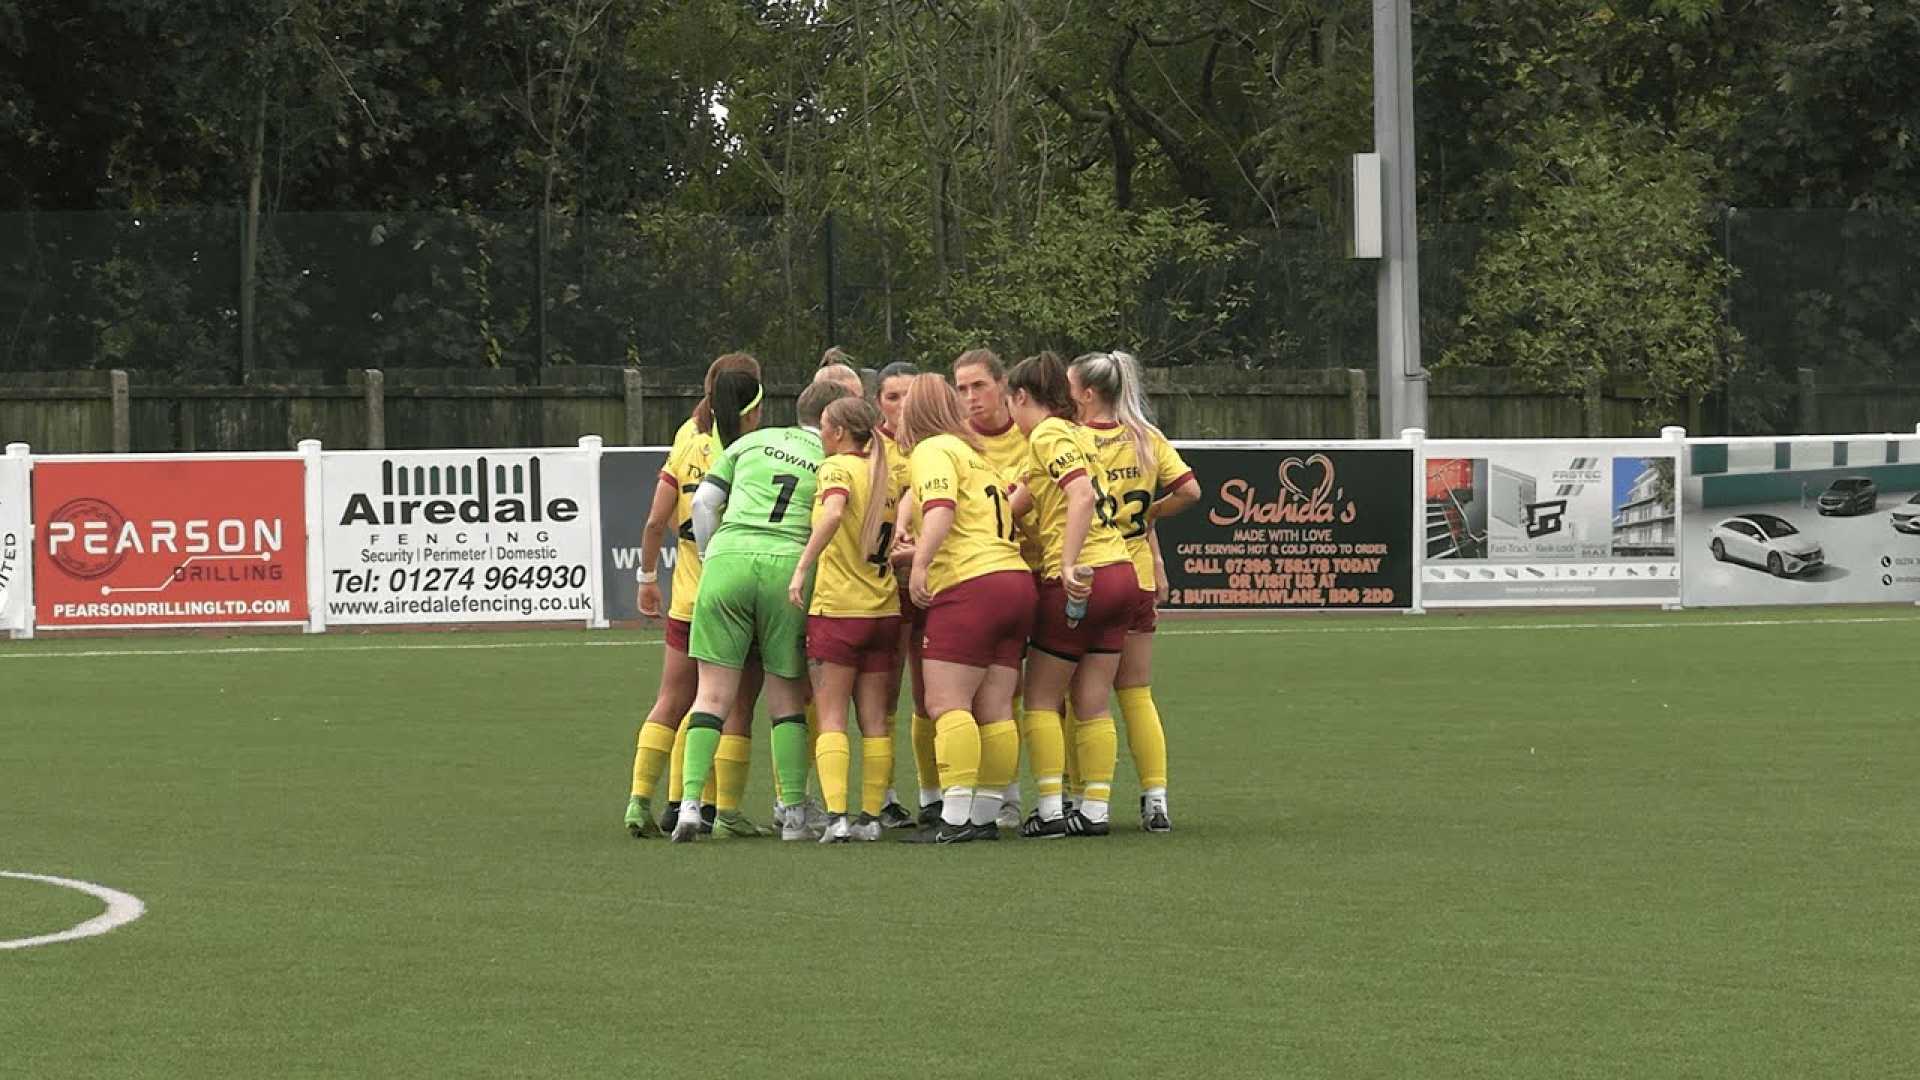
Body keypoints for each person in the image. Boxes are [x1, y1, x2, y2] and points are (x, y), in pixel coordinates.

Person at [673, 378, 856, 842]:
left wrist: (714, 553)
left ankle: (691, 806)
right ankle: (794, 814)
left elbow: (704, 501)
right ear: (835, 421)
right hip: (788, 566)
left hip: (728, 560)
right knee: (787, 701)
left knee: (711, 696)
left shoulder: (754, 440)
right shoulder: (835, 460)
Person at [624, 354, 768, 838]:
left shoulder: (687, 440)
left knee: (672, 700)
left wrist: (647, 577)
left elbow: (653, 521)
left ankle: (642, 801)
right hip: (735, 598)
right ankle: (713, 808)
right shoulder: (753, 449)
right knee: (729, 708)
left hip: (687, 595)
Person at [895, 374, 1037, 843]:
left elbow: (941, 509)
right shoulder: (976, 456)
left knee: (945, 703)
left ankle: (954, 817)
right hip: (1014, 580)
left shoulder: (932, 450)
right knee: (995, 706)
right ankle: (984, 815)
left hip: (971, 583)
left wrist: (920, 566)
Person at [1005, 352, 1140, 838]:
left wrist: (1063, 562)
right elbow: (1017, 504)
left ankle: (1050, 810)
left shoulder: (1047, 433)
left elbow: (1079, 495)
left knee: (1040, 698)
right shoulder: (1081, 434)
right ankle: (1095, 810)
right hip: (1122, 571)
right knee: (1093, 701)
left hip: (1085, 575)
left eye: (1010, 403)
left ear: (1021, 397)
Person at [1072, 350, 1200, 832]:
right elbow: (1191, 491)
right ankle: (1156, 797)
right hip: (1138, 576)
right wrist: (1150, 515)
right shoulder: (1147, 437)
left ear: (1087, 392)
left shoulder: (1075, 439)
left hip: (1091, 572)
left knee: (1079, 693)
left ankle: (1078, 794)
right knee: (1137, 692)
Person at [787, 397, 901, 842]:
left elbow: (833, 512)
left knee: (832, 717)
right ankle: (871, 819)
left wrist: (801, 567)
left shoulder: (836, 468)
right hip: (884, 608)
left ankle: (836, 817)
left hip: (839, 607)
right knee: (874, 721)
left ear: (836, 433)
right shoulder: (888, 474)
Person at [952, 348, 1040, 830]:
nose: (970, 398)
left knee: (1034, 692)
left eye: (979, 386)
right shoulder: (955, 445)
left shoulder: (1032, 437)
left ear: (1004, 386)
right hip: (971, 582)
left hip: (1033, 574)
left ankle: (1047, 794)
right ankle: (983, 795)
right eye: (961, 389)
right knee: (966, 695)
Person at [874, 361, 932, 828]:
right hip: (882, 584)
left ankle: (935, 795)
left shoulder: (938, 446)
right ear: (879, 404)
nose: (902, 405)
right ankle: (885, 795)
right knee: (885, 691)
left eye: (910, 395)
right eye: (893, 396)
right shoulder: (871, 449)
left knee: (931, 691)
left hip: (931, 579)